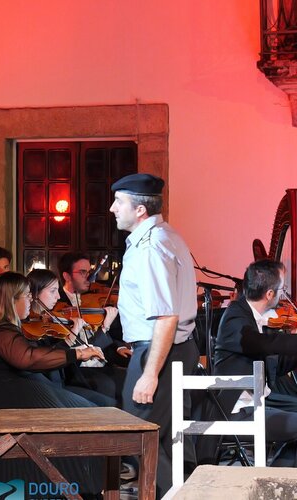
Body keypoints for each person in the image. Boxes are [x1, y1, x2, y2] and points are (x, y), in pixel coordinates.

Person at [0, 271, 106, 494]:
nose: (31, 300)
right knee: (79, 419)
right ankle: (76, 491)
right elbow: (28, 358)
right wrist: (77, 353)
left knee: (90, 414)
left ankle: (84, 489)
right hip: (5, 399)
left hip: (19, 392)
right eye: (26, 295)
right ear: (11, 300)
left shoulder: (4, 329)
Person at [108, 173, 199, 496]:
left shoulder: (151, 247)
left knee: (137, 435)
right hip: (173, 348)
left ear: (140, 210)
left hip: (161, 348)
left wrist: (150, 373)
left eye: (119, 202)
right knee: (163, 437)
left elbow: (165, 315)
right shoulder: (166, 235)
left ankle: (180, 496)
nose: (112, 208)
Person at [214, 259, 297, 469]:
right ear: (269, 294)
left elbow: (279, 366)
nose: (284, 295)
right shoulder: (236, 315)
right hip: (238, 408)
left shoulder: (258, 318)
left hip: (261, 398)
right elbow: (259, 343)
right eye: (282, 289)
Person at [26, 268, 118, 407]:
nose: (58, 296)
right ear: (34, 293)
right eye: (52, 291)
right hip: (52, 387)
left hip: (66, 378)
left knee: (110, 393)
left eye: (58, 291)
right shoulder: (30, 327)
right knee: (107, 399)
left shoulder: (53, 319)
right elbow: (47, 359)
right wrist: (73, 336)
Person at [56, 252, 128, 364]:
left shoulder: (94, 300)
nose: (90, 278)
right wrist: (105, 327)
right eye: (82, 272)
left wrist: (119, 346)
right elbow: (75, 348)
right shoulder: (57, 305)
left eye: (89, 272)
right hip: (80, 365)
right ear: (67, 276)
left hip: (104, 357)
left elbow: (113, 335)